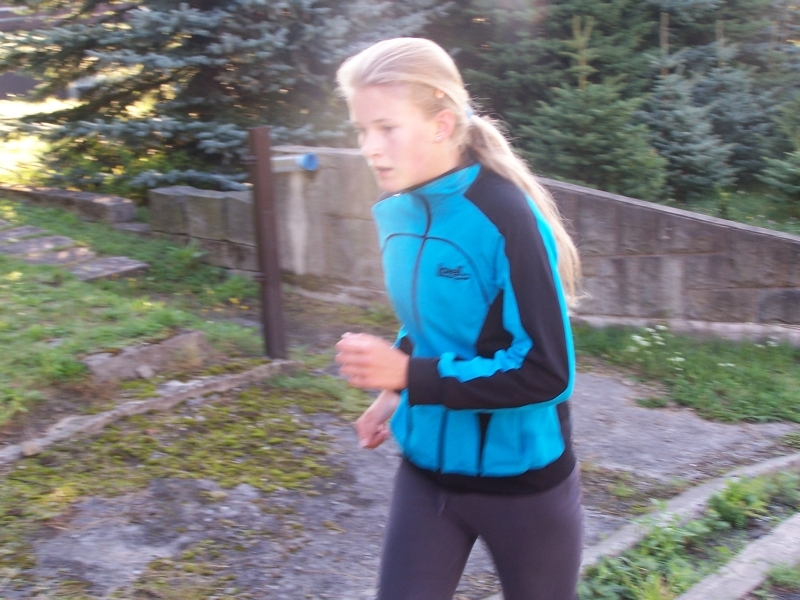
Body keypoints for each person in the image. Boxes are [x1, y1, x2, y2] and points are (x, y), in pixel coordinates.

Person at [333, 37, 583, 600]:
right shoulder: (396, 214)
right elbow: (436, 324)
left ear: (442, 124)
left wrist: (409, 376)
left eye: (386, 128)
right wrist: (393, 393)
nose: (369, 148)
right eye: (361, 130)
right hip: (426, 475)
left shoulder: (505, 217)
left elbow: (548, 373)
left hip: (522, 485)